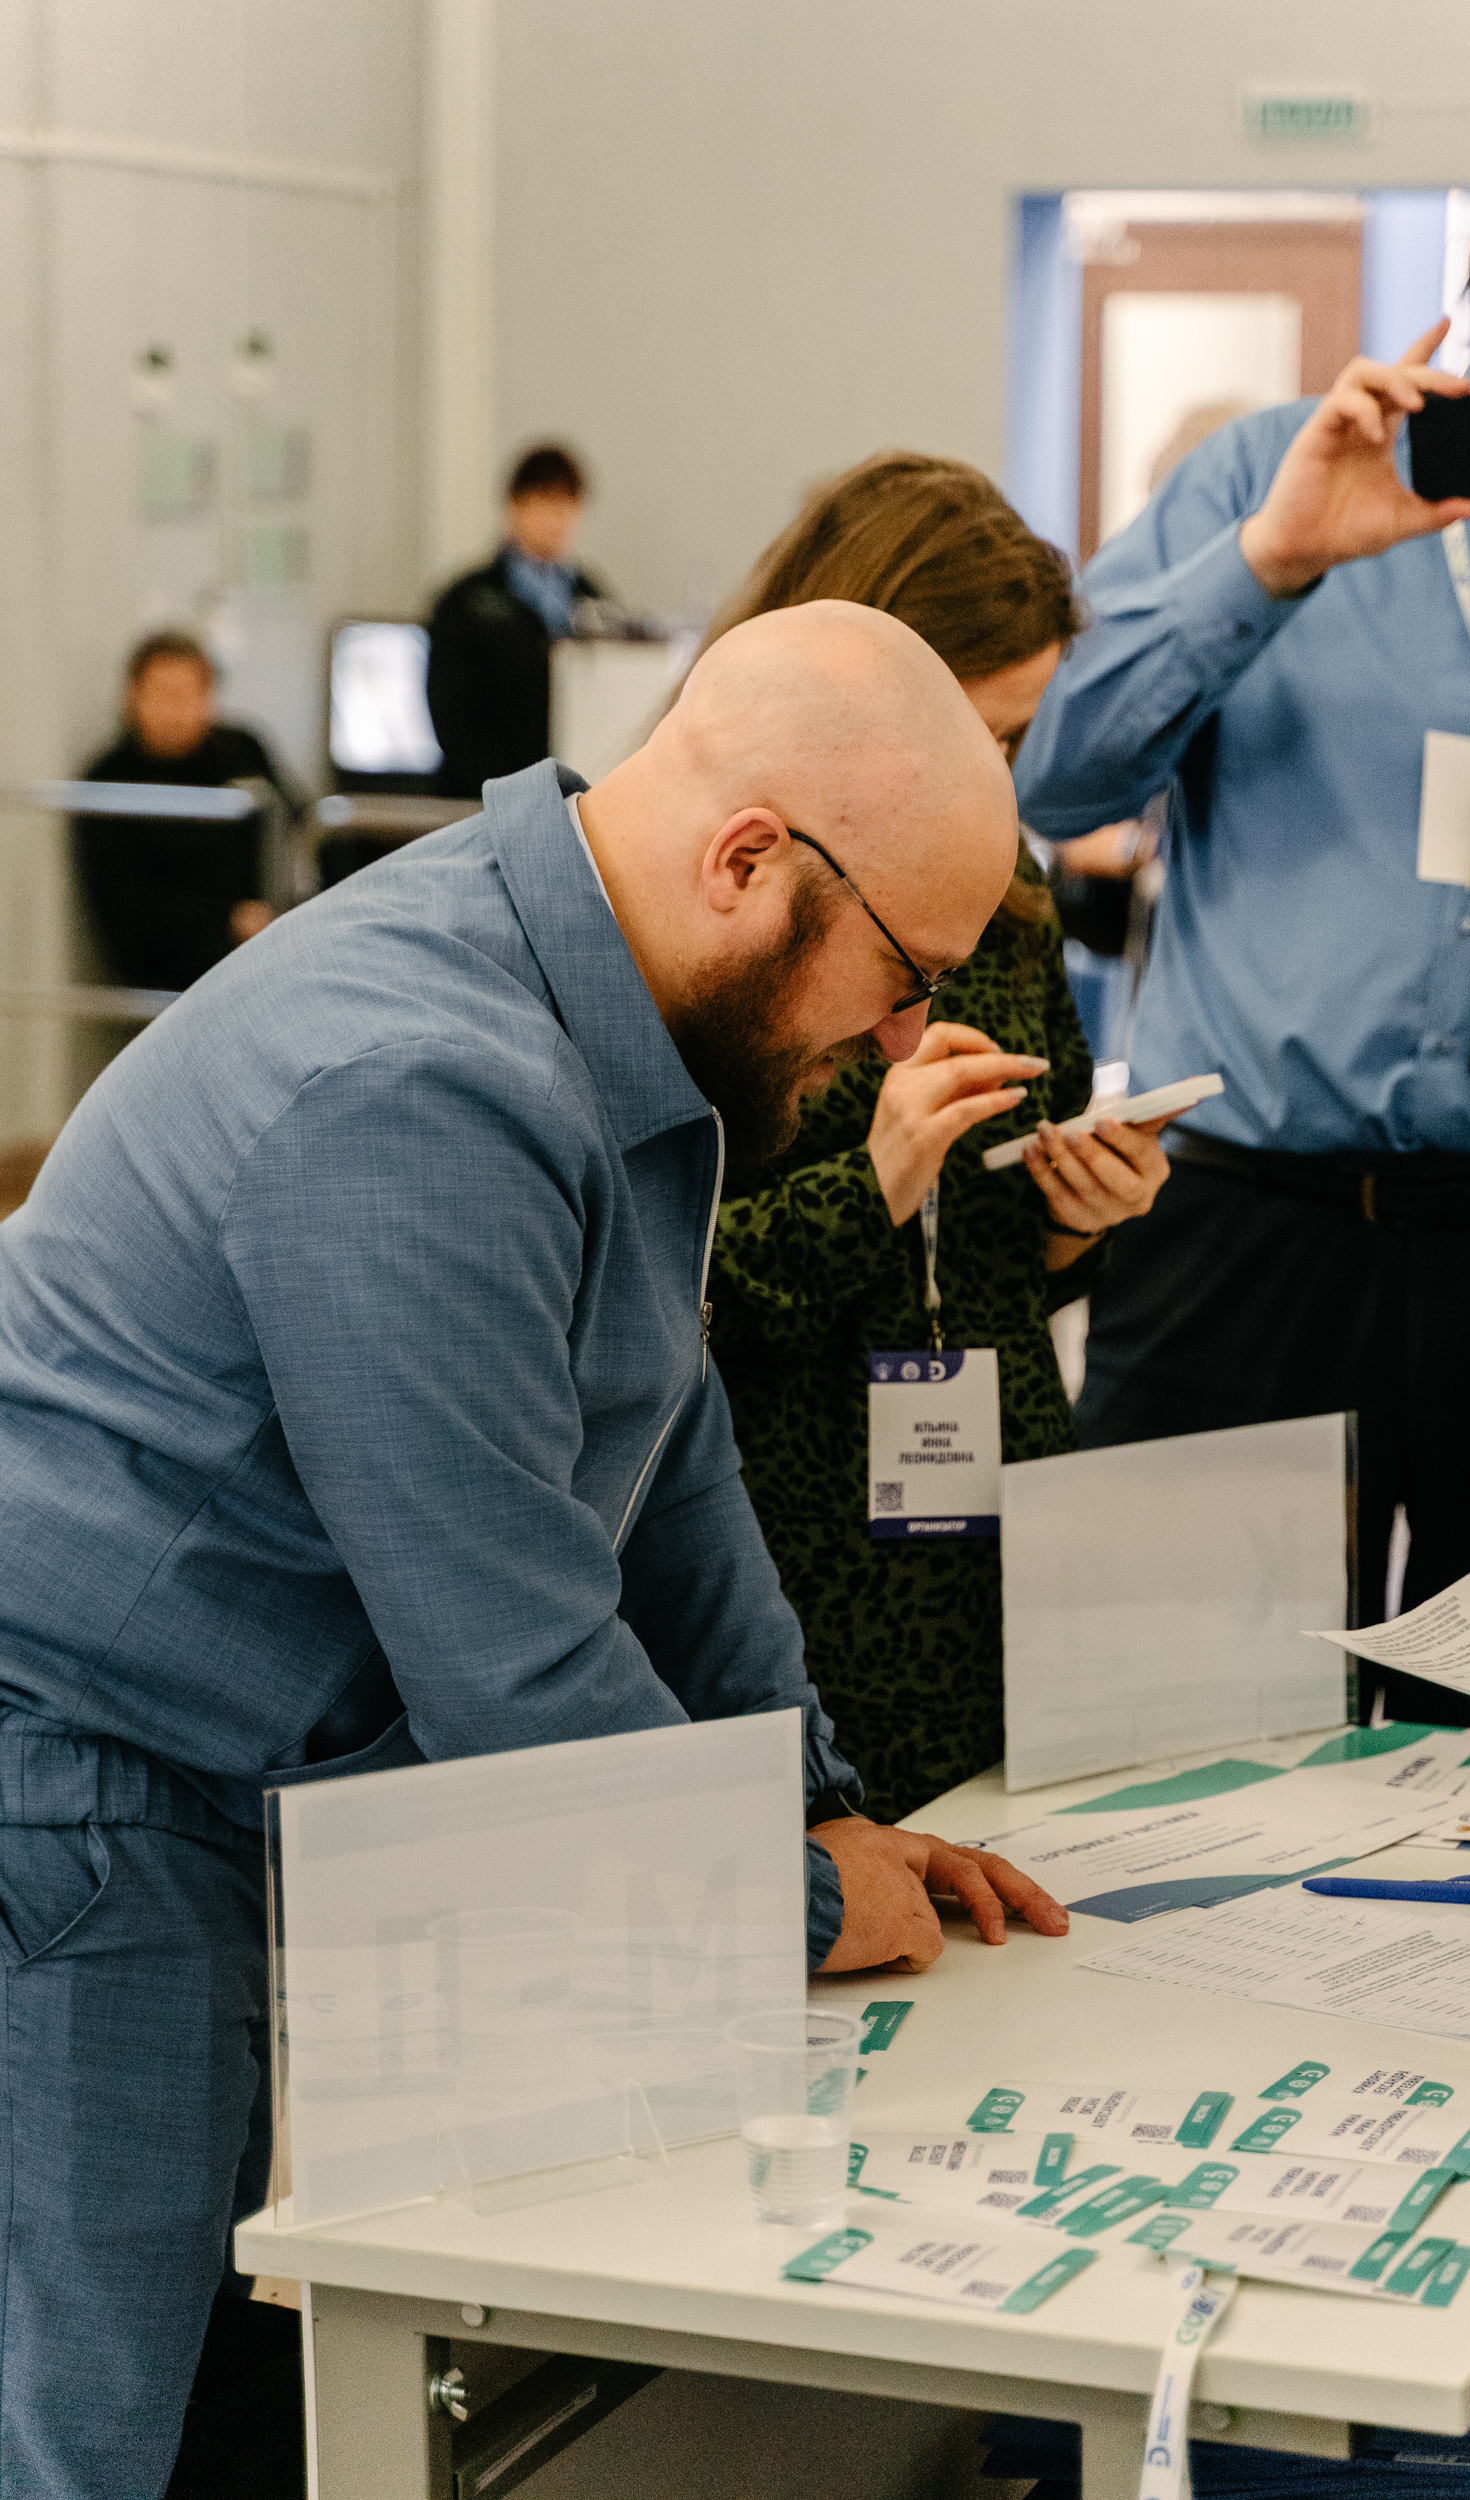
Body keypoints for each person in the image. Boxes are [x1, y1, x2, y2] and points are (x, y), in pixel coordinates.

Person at [0, 601, 1068, 2498]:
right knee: (97, 2418)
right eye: (902, 975)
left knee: (229, 2379)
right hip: (82, 1784)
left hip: (226, 1768)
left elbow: (666, 1460)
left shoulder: (616, 1008)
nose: (904, 1037)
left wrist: (813, 1802)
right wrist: (789, 1905)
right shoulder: (415, 1083)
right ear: (748, 860)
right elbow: (509, 1662)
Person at [1015, 70, 1470, 1717]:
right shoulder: (1271, 472)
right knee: (1150, 1731)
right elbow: (1053, 780)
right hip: (1244, 1226)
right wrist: (1271, 563)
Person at [704, 456, 1170, 1820]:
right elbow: (651, 1286)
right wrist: (873, 1182)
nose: (994, 778)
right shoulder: (719, 895)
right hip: (785, 1520)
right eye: (976, 733)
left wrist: (1075, 1209)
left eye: (1014, 745)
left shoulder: (999, 876)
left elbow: (1005, 1240)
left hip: (985, 1494)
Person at [74, 629, 294, 992]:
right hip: (173, 977)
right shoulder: (107, 783)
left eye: (190, 694)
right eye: (163, 693)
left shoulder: (243, 750)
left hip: (271, 949)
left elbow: (297, 824)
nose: (176, 710)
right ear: (132, 696)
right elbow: (124, 913)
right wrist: (228, 922)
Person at [425, 440, 616, 796]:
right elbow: (450, 714)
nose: (557, 519)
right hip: (485, 793)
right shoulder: (467, 600)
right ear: (515, 506)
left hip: (574, 789)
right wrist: (500, 791)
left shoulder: (592, 597)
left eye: (568, 505)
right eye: (545, 503)